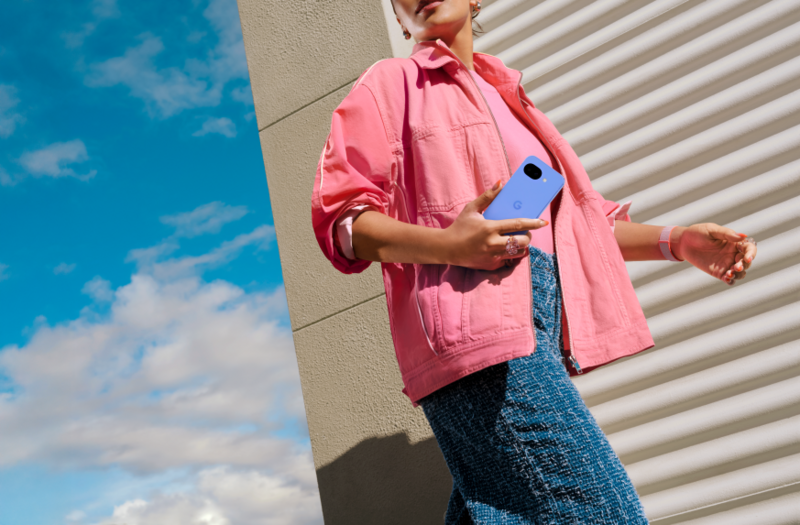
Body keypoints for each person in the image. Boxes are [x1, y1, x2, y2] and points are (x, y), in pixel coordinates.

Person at [311, 0, 758, 522]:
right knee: (601, 511)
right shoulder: (391, 83)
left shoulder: (509, 96)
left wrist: (677, 241)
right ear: (398, 19)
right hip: (475, 332)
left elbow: (578, 227)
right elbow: (343, 222)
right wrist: (451, 245)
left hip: (535, 319)